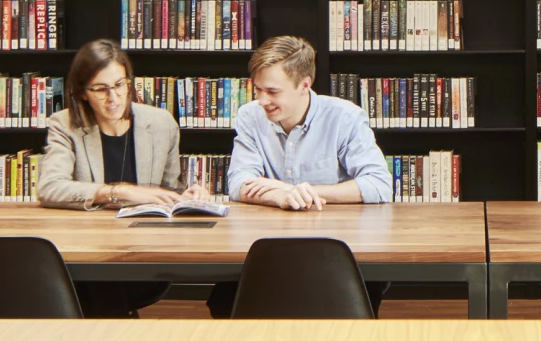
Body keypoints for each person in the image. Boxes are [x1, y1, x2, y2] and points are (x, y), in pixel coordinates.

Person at [211, 36, 390, 317]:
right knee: (226, 304)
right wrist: (282, 196)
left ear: (304, 85)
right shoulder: (249, 116)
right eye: (257, 89)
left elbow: (378, 185)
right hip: (266, 250)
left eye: (272, 91)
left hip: (337, 251)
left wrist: (302, 191)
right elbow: (237, 183)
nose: (261, 100)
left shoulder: (344, 117)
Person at [35, 39, 197, 315]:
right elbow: (50, 187)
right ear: (83, 92)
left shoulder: (161, 123)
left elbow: (169, 191)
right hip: (84, 253)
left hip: (145, 251)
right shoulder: (65, 124)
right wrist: (118, 192)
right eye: (101, 89)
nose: (113, 98)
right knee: (99, 288)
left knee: (105, 298)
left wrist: (188, 198)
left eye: (120, 85)